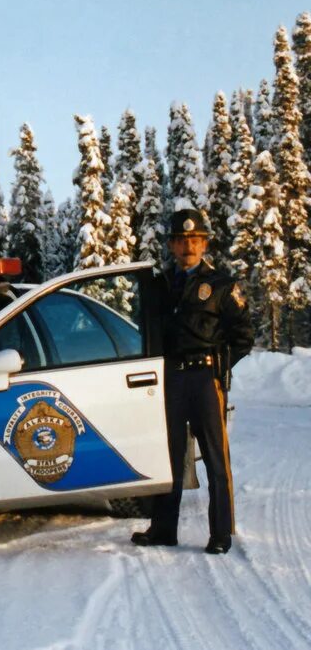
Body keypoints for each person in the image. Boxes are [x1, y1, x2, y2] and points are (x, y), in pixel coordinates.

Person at [131, 208, 254, 554]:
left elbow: (244, 337)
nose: (189, 247)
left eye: (195, 240)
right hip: (169, 378)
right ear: (171, 245)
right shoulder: (159, 285)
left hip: (204, 379)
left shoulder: (221, 286)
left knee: (216, 459)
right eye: (182, 241)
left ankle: (220, 534)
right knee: (167, 456)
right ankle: (163, 529)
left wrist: (219, 368)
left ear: (204, 244)